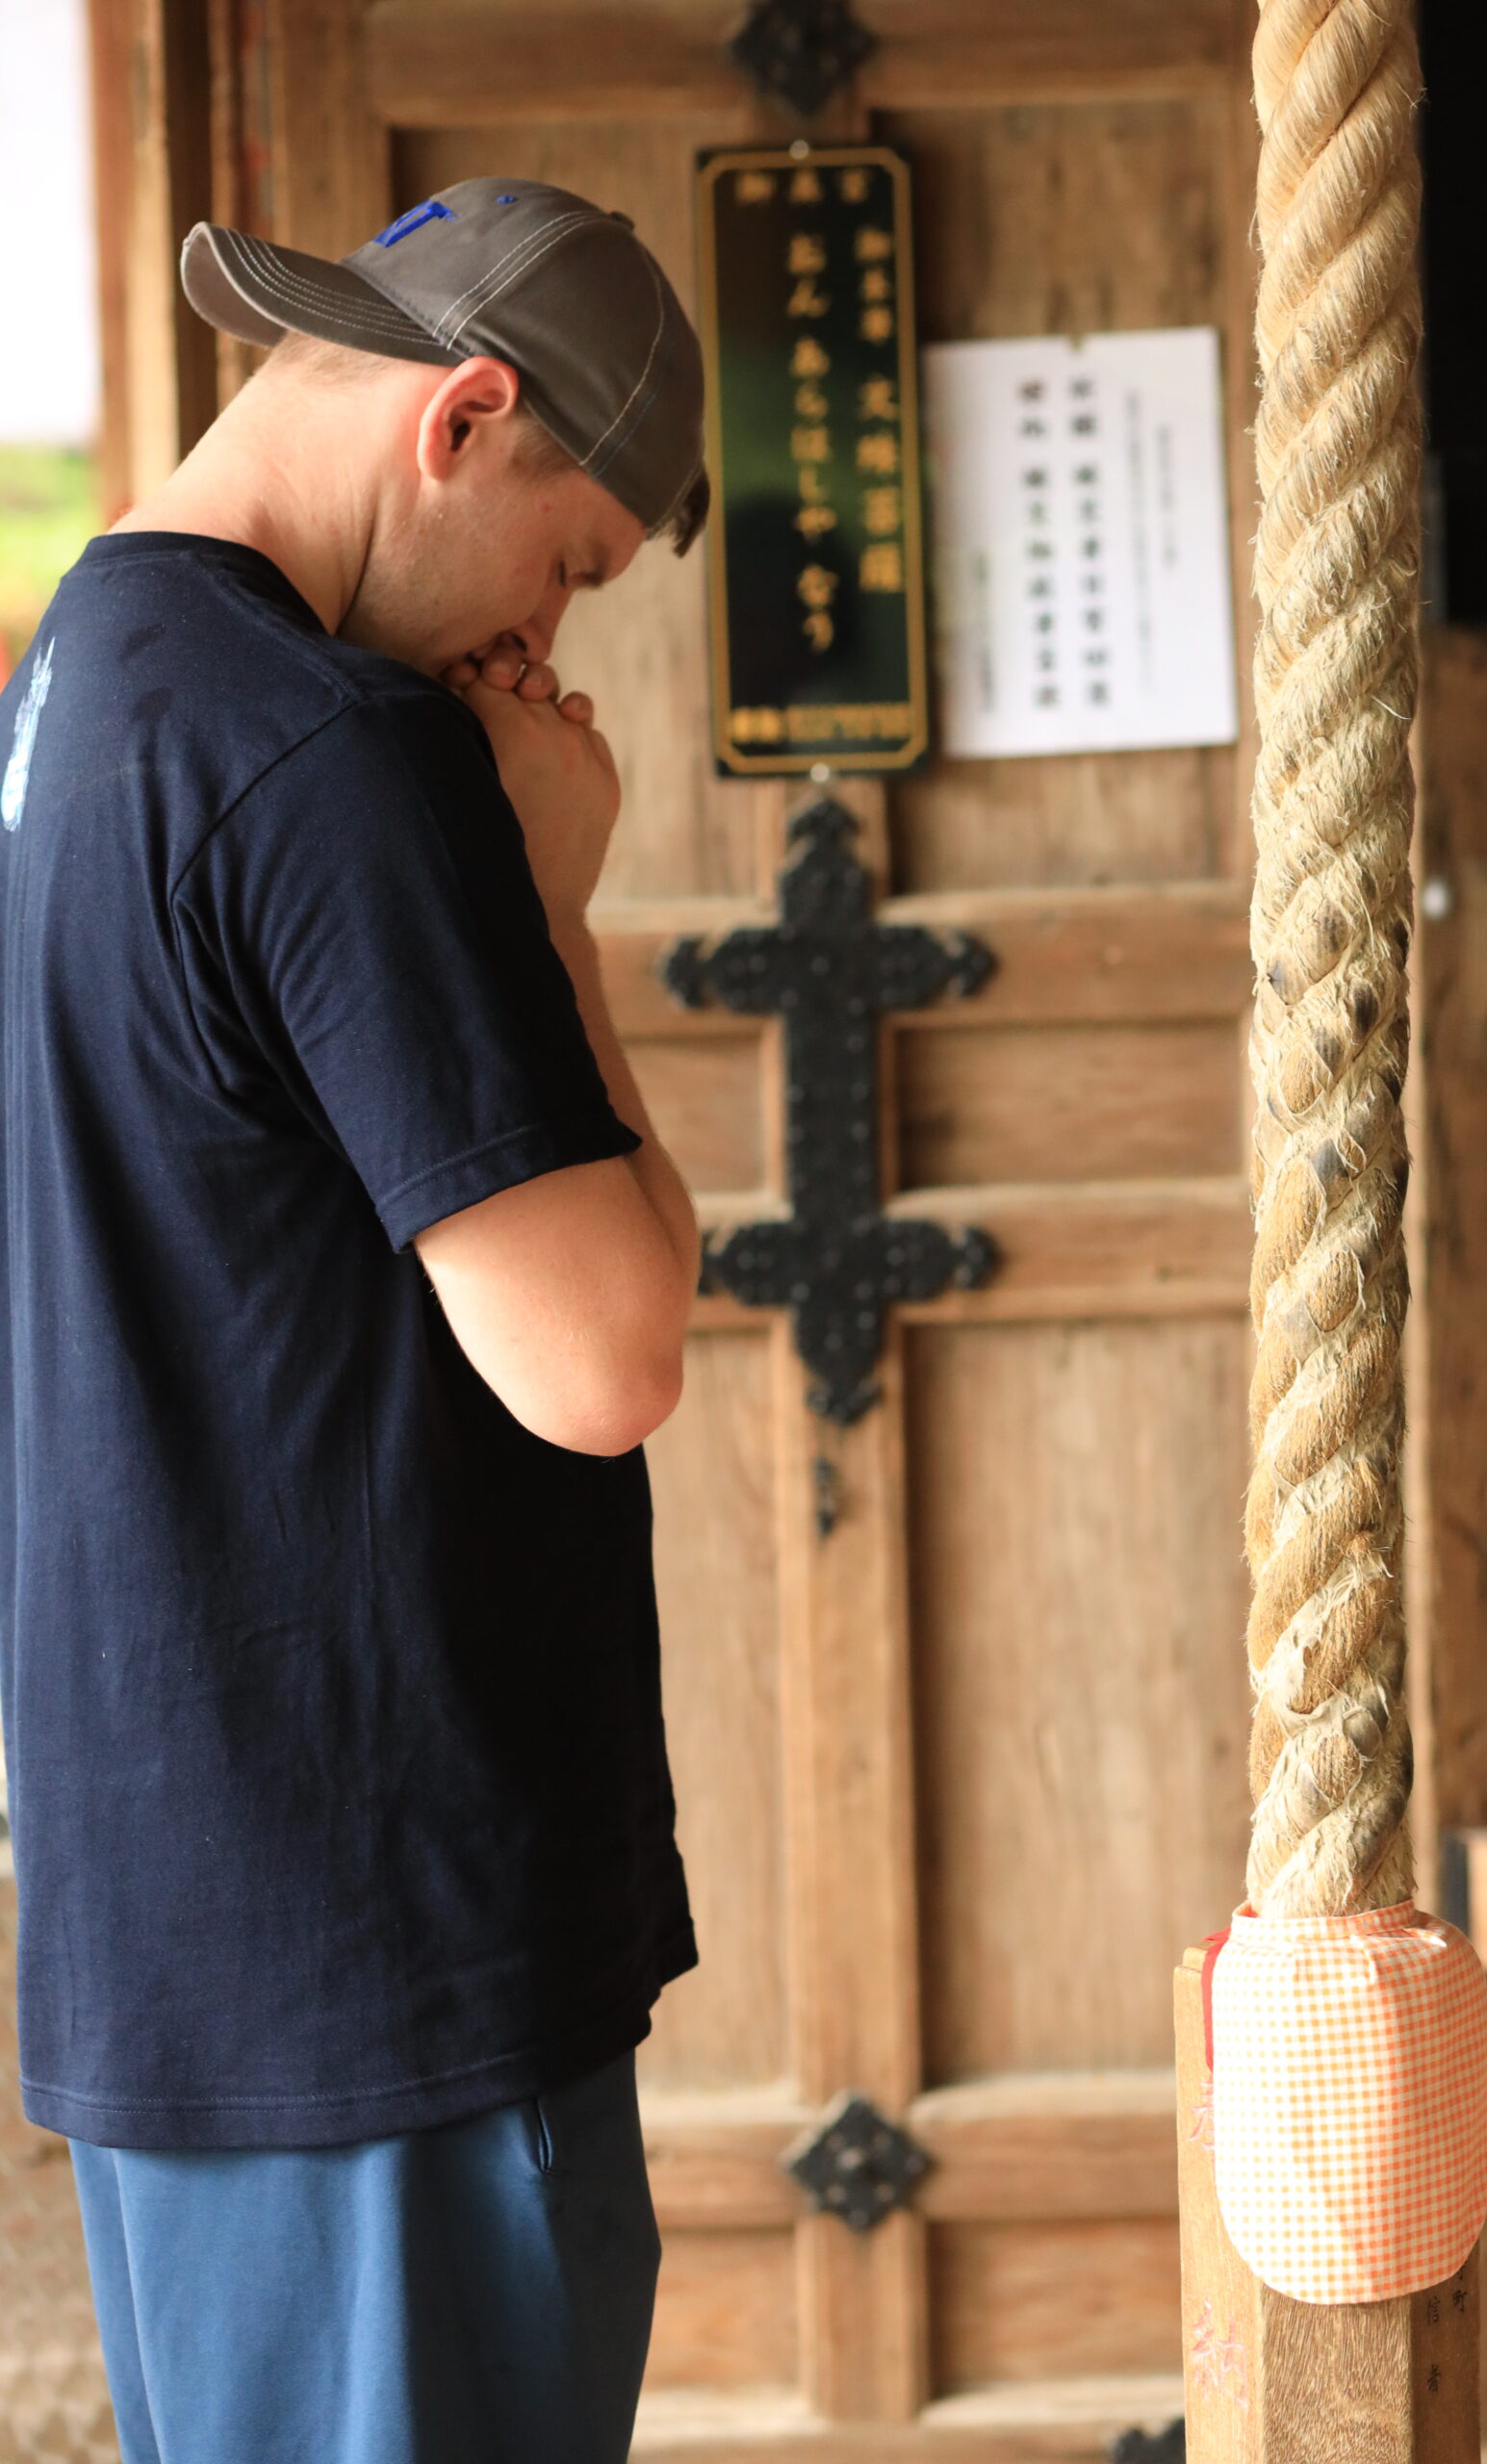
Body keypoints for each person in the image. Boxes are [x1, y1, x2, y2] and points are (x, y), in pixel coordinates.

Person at [0, 178, 708, 2463]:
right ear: (466, 418)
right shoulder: (338, 755)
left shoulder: (74, 686)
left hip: (181, 1915)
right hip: (371, 1923)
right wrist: (552, 904)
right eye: (570, 561)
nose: (541, 636)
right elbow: (599, 1355)